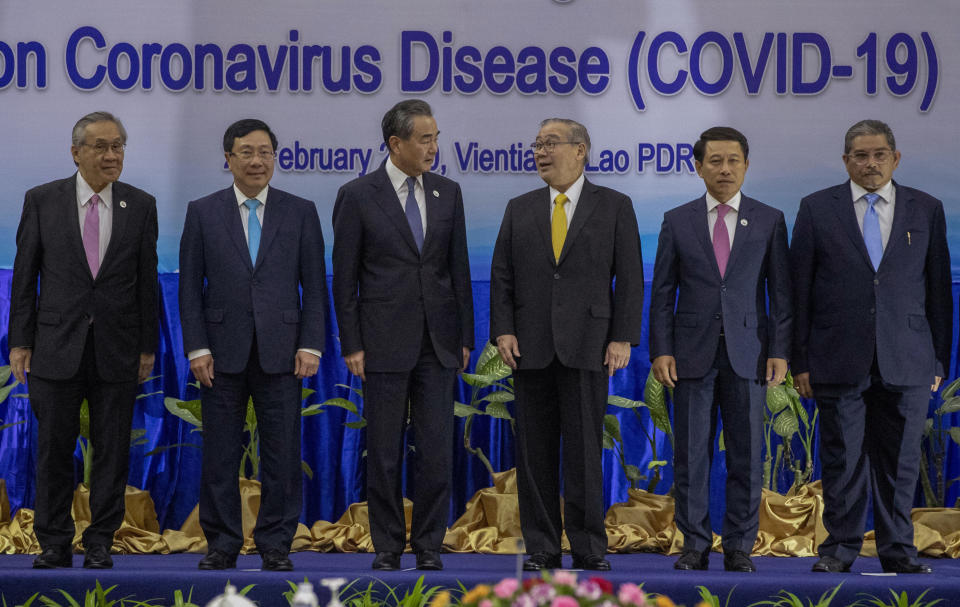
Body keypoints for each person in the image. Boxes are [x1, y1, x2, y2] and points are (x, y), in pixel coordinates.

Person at [791, 120, 952, 574]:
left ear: (895, 158)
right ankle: (839, 551)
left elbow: (938, 291)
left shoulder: (927, 209)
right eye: (860, 155)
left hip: (909, 357)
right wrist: (801, 360)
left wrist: (938, 357)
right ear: (846, 162)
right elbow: (799, 292)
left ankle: (898, 552)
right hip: (837, 357)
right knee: (842, 461)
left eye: (879, 154)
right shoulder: (817, 208)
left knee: (900, 465)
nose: (870, 163)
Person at [490, 118, 644, 571]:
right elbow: (501, 276)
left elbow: (631, 277)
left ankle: (588, 547)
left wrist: (622, 336)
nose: (540, 152)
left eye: (550, 143)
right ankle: (541, 546)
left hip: (589, 345)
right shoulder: (519, 208)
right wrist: (503, 329)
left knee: (582, 451)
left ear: (581, 151)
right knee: (534, 454)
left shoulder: (614, 205)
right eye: (537, 144)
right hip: (529, 347)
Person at [8, 111, 158, 569]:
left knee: (113, 450)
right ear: (76, 152)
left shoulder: (141, 204)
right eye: (101, 146)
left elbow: (146, 281)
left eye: (118, 146)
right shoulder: (42, 200)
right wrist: (20, 340)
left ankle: (99, 541)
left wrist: (147, 345)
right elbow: (25, 275)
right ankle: (53, 541)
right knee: (53, 449)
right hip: (56, 345)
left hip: (117, 347)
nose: (112, 155)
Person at [178, 118, 327, 571]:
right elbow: (189, 288)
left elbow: (314, 287)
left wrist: (312, 345)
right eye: (246, 152)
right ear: (228, 159)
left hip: (283, 351)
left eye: (265, 151)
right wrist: (197, 349)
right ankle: (222, 542)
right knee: (220, 451)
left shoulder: (300, 211)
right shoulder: (202, 211)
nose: (257, 160)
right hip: (220, 353)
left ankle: (276, 543)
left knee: (282, 452)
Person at [332, 100, 474, 571]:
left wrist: (464, 338)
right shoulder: (357, 195)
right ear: (396, 143)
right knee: (386, 452)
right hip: (381, 343)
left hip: (438, 344)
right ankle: (389, 546)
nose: (434, 147)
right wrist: (351, 343)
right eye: (425, 139)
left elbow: (457, 271)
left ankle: (430, 544)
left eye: (436, 137)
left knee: (436, 450)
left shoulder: (447, 193)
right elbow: (344, 279)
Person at [649, 126, 792, 572]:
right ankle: (694, 544)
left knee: (747, 456)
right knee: (691, 454)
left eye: (733, 161)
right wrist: (661, 349)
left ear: (746, 165)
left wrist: (780, 350)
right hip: (690, 354)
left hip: (749, 354)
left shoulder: (769, 219)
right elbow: (663, 292)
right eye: (715, 161)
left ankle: (739, 546)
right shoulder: (677, 220)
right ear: (698, 166)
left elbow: (782, 294)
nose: (725, 169)